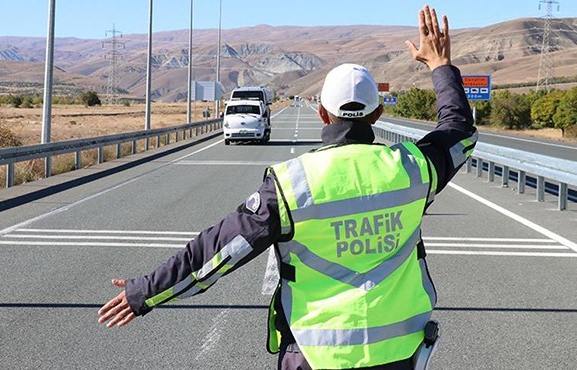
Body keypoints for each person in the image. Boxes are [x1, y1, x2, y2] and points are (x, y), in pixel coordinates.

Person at [98, 5, 477, 369]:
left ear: (322, 113)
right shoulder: (413, 169)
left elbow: (213, 253)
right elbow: (458, 131)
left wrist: (144, 292)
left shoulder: (291, 185)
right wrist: (441, 66)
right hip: (401, 353)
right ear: (378, 114)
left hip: (316, 358)